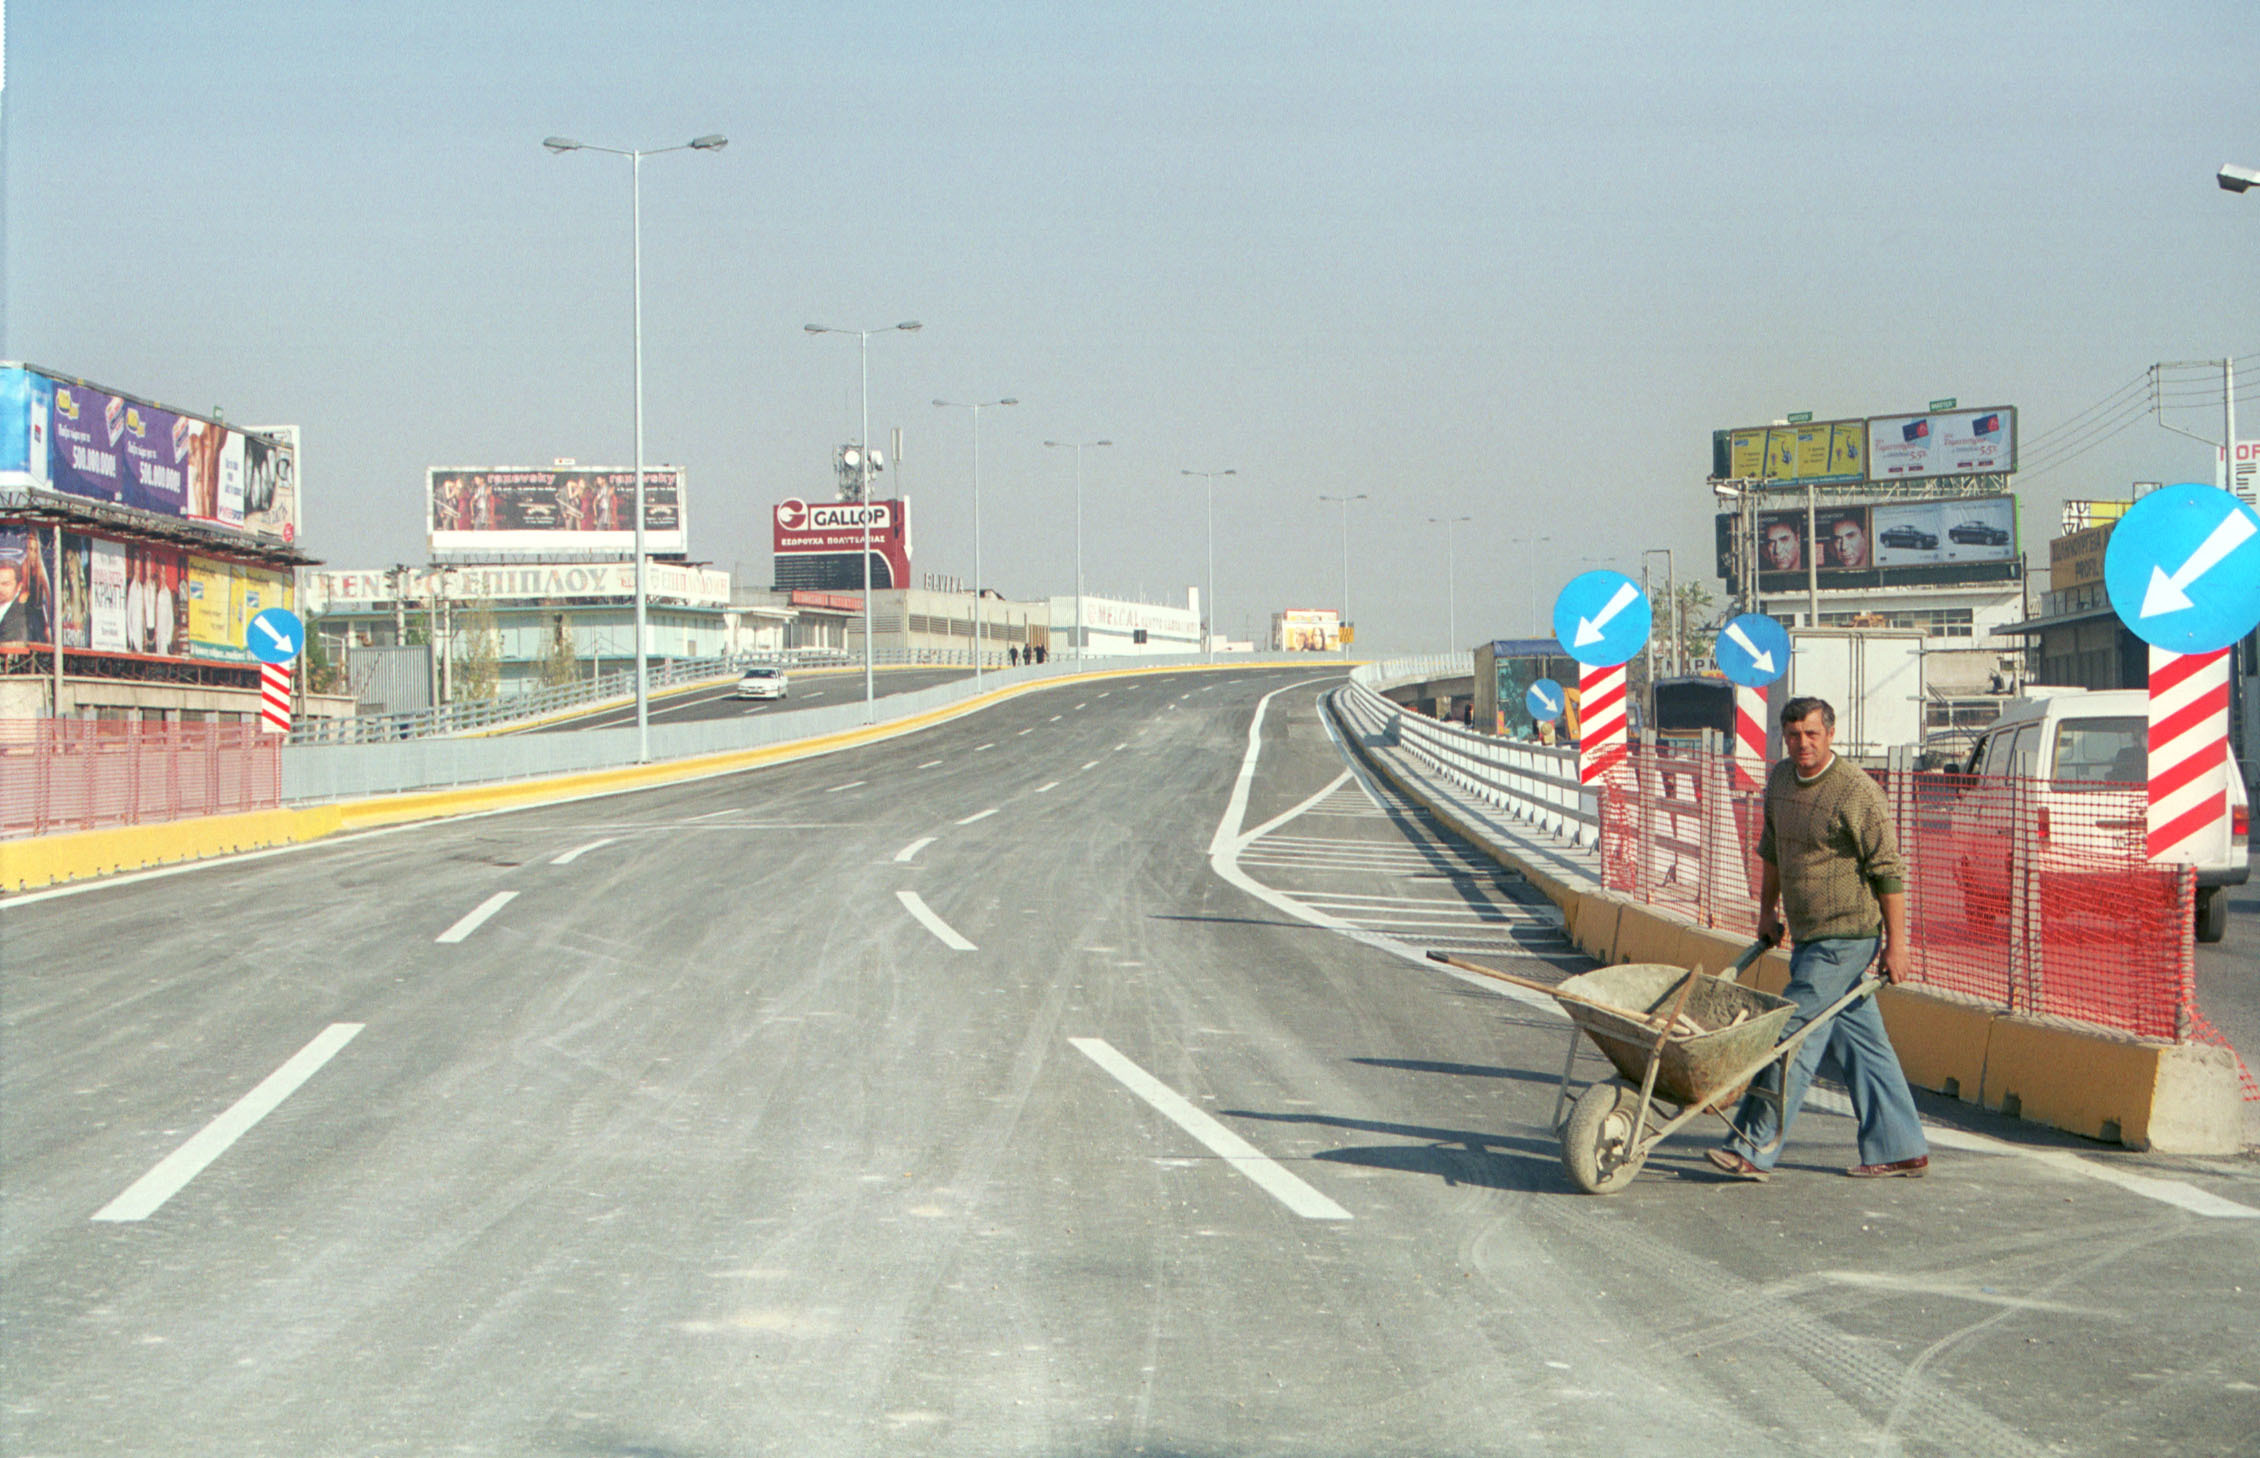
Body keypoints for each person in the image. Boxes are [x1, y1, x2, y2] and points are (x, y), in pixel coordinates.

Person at [1708, 695, 1929, 1181]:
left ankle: (1752, 1145)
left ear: (1830, 734)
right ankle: (1902, 1146)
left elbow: (1889, 872)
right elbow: (1772, 850)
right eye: (1793, 735)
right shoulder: (1781, 780)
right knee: (1862, 1044)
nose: (1802, 744)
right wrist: (1767, 911)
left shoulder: (1857, 792)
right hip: (1809, 936)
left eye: (1811, 733)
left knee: (1791, 1035)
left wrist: (1897, 944)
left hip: (1846, 936)